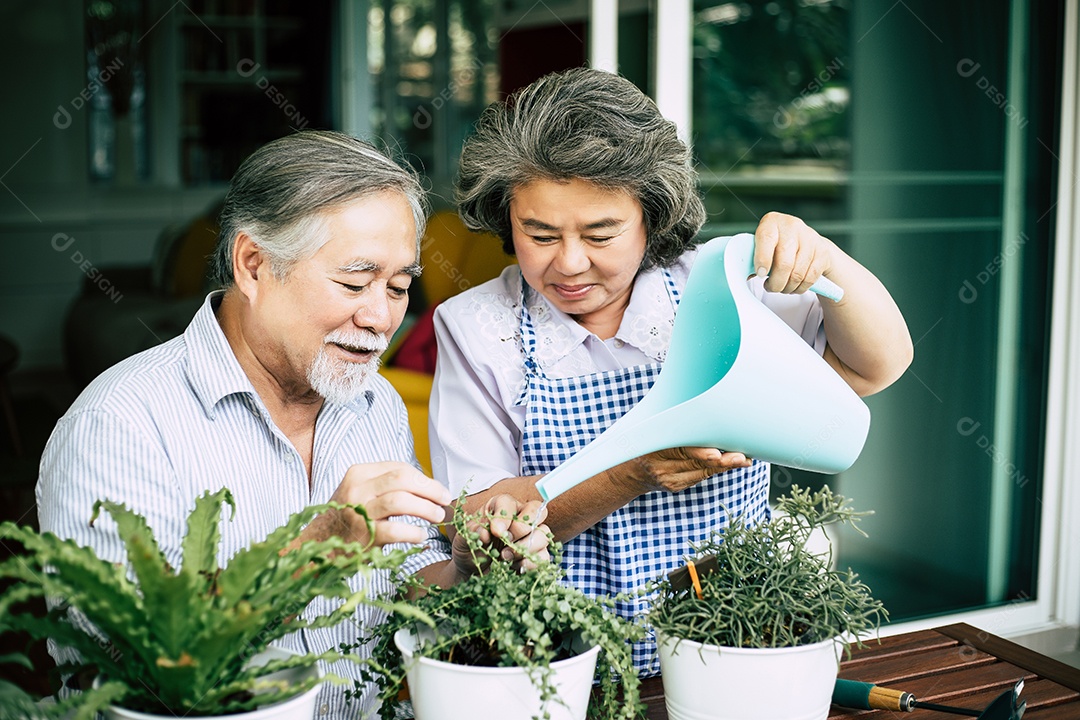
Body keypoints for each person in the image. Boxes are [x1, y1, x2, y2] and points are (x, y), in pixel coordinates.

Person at [36, 130, 548, 718]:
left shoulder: (375, 403)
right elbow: (126, 660)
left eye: (400, 287)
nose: (381, 317)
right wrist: (314, 552)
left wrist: (465, 563)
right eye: (354, 284)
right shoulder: (119, 424)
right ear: (253, 265)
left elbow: (405, 584)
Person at [428, 67, 914, 674]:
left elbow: (875, 368)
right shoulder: (476, 327)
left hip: (732, 637)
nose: (570, 263)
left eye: (601, 233)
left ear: (652, 219)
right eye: (540, 233)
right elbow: (476, 526)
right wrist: (631, 472)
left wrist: (827, 259)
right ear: (507, 218)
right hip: (568, 665)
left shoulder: (721, 285)